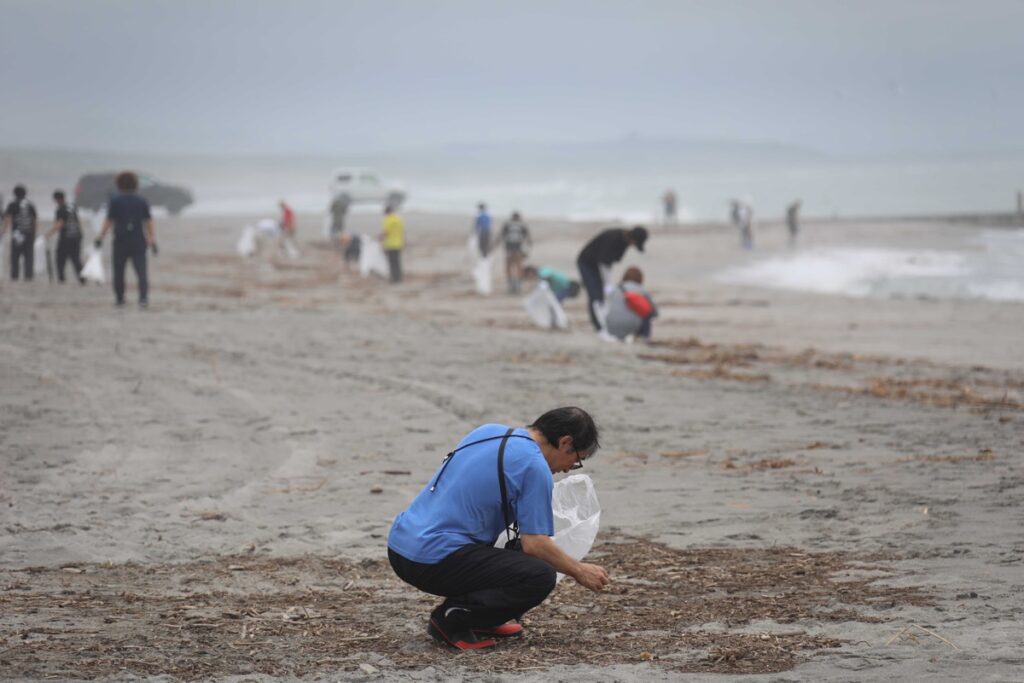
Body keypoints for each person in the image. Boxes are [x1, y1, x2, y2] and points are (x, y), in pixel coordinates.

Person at [388, 406, 609, 651]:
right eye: (577, 459)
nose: (569, 468)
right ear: (565, 442)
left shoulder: (488, 431)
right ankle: (453, 619)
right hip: (430, 559)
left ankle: (484, 618)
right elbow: (535, 544)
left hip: (400, 545)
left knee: (516, 553)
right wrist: (579, 570)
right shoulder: (534, 467)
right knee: (540, 574)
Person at [94, 171, 157, 307]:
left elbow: (109, 221)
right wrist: (152, 240)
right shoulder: (141, 200)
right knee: (141, 272)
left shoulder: (116, 200)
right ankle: (143, 298)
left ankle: (120, 298)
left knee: (119, 272)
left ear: (119, 184)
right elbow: (148, 221)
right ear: (135, 184)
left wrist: (100, 236)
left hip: (120, 241)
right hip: (138, 241)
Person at [576, 225, 648, 331]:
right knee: (595, 295)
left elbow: (609, 264)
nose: (633, 246)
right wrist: (608, 284)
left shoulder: (624, 243)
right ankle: (599, 327)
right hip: (587, 263)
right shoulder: (612, 238)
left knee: (600, 293)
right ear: (632, 238)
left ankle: (603, 322)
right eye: (635, 243)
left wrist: (608, 284)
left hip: (599, 265)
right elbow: (603, 263)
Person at [604, 266, 657, 341]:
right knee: (646, 312)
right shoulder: (642, 290)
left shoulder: (615, 288)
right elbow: (654, 312)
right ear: (640, 278)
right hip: (631, 327)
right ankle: (644, 338)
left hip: (610, 327)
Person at [45, 190, 85, 284]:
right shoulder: (72, 206)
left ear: (56, 199)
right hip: (77, 236)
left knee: (60, 258)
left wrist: (48, 234)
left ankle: (61, 279)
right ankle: (82, 278)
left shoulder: (60, 209)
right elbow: (77, 221)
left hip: (66, 237)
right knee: (76, 258)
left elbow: (60, 224)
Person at [3, 185, 38, 281]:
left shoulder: (13, 204)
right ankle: (28, 276)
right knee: (29, 256)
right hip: (29, 234)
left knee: (15, 256)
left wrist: (3, 232)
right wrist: (34, 233)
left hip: (17, 234)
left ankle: (15, 276)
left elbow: (7, 219)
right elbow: (34, 220)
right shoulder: (30, 204)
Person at [500, 211, 532, 294]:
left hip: (509, 250)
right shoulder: (522, 225)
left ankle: (510, 286)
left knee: (509, 268)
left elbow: (501, 236)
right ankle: (518, 286)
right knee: (519, 267)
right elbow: (528, 239)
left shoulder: (507, 225)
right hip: (518, 250)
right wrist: (527, 251)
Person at [380, 204, 405, 283]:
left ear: (386, 212)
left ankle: (393, 279)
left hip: (390, 244)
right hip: (398, 243)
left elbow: (386, 232)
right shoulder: (398, 219)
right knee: (397, 262)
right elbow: (402, 231)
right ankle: (399, 278)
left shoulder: (388, 220)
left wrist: (380, 237)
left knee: (391, 262)